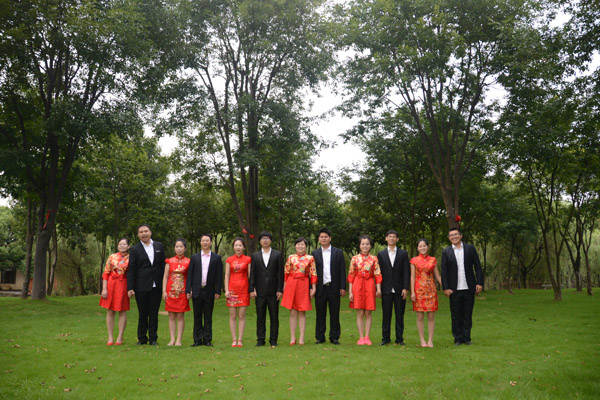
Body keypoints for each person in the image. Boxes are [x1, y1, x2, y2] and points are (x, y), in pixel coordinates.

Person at [441, 227, 484, 346]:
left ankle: (467, 338)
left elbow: (478, 266)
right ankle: (457, 338)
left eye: (456, 234)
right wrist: (445, 287)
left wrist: (479, 283)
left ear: (460, 235)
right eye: (451, 235)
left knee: (467, 314)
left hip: (469, 287)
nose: (454, 237)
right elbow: (444, 271)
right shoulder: (446, 252)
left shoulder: (470, 248)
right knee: (455, 315)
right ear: (449, 238)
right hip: (453, 289)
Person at [127, 225, 166, 345]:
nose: (144, 234)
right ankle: (142, 338)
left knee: (154, 313)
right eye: (141, 232)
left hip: (156, 286)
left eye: (146, 231)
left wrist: (165, 286)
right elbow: (131, 269)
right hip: (141, 286)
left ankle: (153, 338)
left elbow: (163, 266)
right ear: (138, 235)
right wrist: (130, 287)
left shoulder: (159, 246)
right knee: (143, 313)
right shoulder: (135, 249)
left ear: (150, 232)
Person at [186, 234, 223, 347]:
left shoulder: (216, 258)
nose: (205, 242)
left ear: (211, 242)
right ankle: (197, 339)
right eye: (203, 240)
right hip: (197, 290)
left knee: (208, 316)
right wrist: (188, 290)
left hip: (209, 290)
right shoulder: (194, 257)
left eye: (207, 240)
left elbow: (219, 276)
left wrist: (218, 291)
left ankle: (207, 339)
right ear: (201, 242)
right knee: (197, 316)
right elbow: (190, 275)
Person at [312, 227, 347, 345]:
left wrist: (343, 287)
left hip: (334, 287)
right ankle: (320, 337)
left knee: (335, 313)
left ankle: (334, 337)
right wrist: (312, 288)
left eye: (326, 237)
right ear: (318, 239)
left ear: (330, 238)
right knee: (320, 314)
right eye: (321, 237)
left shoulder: (338, 252)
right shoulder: (314, 254)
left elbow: (342, 270)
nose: (323, 239)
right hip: (320, 288)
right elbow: (312, 272)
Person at [249, 231, 284, 347]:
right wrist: (251, 289)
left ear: (270, 240)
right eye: (263, 238)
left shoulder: (277, 254)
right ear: (260, 241)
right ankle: (260, 339)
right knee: (260, 317)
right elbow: (252, 274)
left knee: (274, 317)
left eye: (267, 238)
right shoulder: (255, 256)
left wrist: (280, 289)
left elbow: (281, 274)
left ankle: (273, 340)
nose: (265, 240)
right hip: (259, 291)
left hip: (274, 291)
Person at [281, 237, 317, 345]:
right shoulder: (291, 257)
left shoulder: (310, 258)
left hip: (304, 284)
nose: (300, 246)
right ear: (295, 246)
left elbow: (313, 273)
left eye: (302, 244)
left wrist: (313, 287)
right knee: (292, 312)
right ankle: (292, 337)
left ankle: (301, 337)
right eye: (298, 244)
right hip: (291, 283)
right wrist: (284, 287)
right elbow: (286, 273)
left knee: (302, 311)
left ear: (306, 246)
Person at [377, 230, 410, 346]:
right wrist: (379, 288)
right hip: (386, 289)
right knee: (386, 315)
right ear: (386, 238)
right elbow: (379, 272)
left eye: (394, 237)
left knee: (399, 315)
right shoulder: (381, 254)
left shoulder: (403, 254)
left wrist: (405, 288)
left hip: (399, 289)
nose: (391, 238)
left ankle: (399, 339)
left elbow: (406, 272)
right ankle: (385, 338)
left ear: (397, 239)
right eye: (389, 236)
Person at [348, 234, 382, 346]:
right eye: (363, 244)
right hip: (357, 285)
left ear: (370, 245)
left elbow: (377, 274)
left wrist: (378, 289)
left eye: (367, 244)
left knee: (368, 312)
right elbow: (351, 275)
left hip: (369, 284)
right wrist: (350, 291)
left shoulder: (374, 259)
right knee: (360, 313)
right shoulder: (354, 258)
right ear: (359, 245)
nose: (365, 246)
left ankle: (367, 336)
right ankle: (361, 337)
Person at [410, 238, 442, 348]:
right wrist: (412, 292)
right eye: (420, 246)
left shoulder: (433, 260)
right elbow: (412, 276)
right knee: (420, 316)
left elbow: (437, 275)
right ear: (417, 248)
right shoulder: (414, 260)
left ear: (428, 247)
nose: (422, 248)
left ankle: (430, 340)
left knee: (431, 316)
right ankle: (422, 340)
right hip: (418, 291)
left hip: (431, 290)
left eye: (424, 246)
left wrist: (446, 287)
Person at [100, 237, 130, 346]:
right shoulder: (112, 257)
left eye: (124, 244)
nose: (122, 246)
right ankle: (110, 337)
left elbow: (132, 274)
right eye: (120, 244)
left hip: (123, 285)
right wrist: (104, 288)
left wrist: (131, 289)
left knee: (122, 310)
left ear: (128, 246)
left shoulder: (131, 258)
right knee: (110, 311)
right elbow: (106, 273)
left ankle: (120, 337)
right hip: (111, 284)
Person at [162, 239, 191, 346]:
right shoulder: (169, 261)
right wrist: (164, 291)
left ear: (185, 248)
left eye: (181, 247)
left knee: (180, 316)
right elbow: (165, 277)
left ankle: (179, 339)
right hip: (170, 292)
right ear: (174, 248)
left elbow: (190, 277)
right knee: (171, 316)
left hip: (182, 292)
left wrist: (189, 290)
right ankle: (172, 339)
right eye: (177, 247)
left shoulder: (189, 261)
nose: (179, 249)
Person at [224, 237, 252, 347]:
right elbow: (226, 275)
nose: (238, 247)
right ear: (233, 247)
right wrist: (226, 290)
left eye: (240, 245)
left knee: (241, 315)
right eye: (236, 245)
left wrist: (252, 289)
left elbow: (250, 276)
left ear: (244, 247)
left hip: (244, 289)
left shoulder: (248, 259)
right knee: (232, 315)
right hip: (232, 289)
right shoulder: (229, 260)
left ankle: (240, 339)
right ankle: (234, 339)